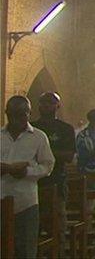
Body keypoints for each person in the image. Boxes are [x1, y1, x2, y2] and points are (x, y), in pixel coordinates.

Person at [1, 96, 55, 258]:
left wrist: (27, 172)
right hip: (1, 197)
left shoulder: (39, 137)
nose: (17, 119)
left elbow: (48, 165)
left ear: (29, 114)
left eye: (21, 114)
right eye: (12, 114)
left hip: (26, 202)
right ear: (7, 113)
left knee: (25, 250)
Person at [31, 92, 76, 256]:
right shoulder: (31, 127)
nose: (46, 106)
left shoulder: (65, 129)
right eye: (43, 102)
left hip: (56, 183)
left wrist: (44, 154)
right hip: (33, 184)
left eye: (50, 103)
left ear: (58, 106)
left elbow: (69, 156)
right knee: (32, 229)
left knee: (56, 227)